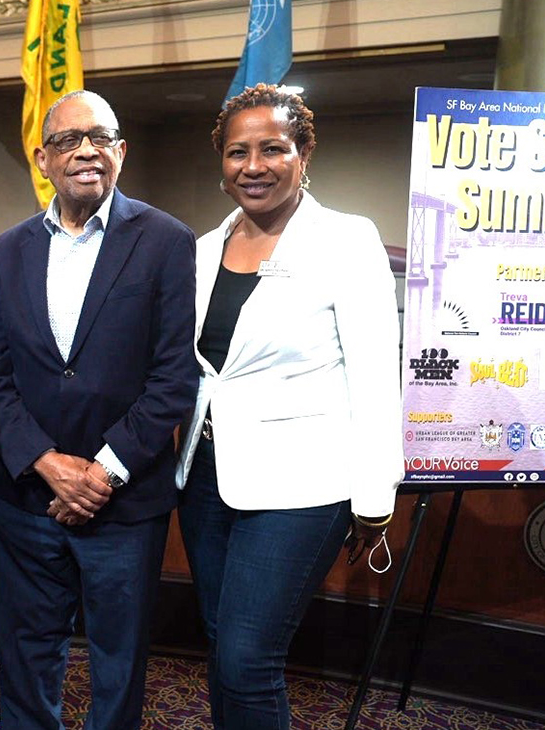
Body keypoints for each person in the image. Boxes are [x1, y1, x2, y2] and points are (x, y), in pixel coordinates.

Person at [174, 83, 403, 730]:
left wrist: (374, 498)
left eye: (273, 149)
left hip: (304, 485)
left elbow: (374, 375)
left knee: (249, 658)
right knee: (224, 651)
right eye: (237, 152)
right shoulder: (198, 252)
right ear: (221, 162)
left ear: (303, 154)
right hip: (207, 478)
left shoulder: (347, 241)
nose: (254, 166)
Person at [0, 90, 199, 730]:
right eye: (70, 140)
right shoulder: (6, 251)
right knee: (24, 656)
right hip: (25, 498)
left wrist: (101, 473)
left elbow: (173, 376)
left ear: (121, 152)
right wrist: (47, 464)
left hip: (123, 502)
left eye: (101, 137)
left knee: (119, 663)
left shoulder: (166, 241)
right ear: (43, 159)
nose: (86, 150)